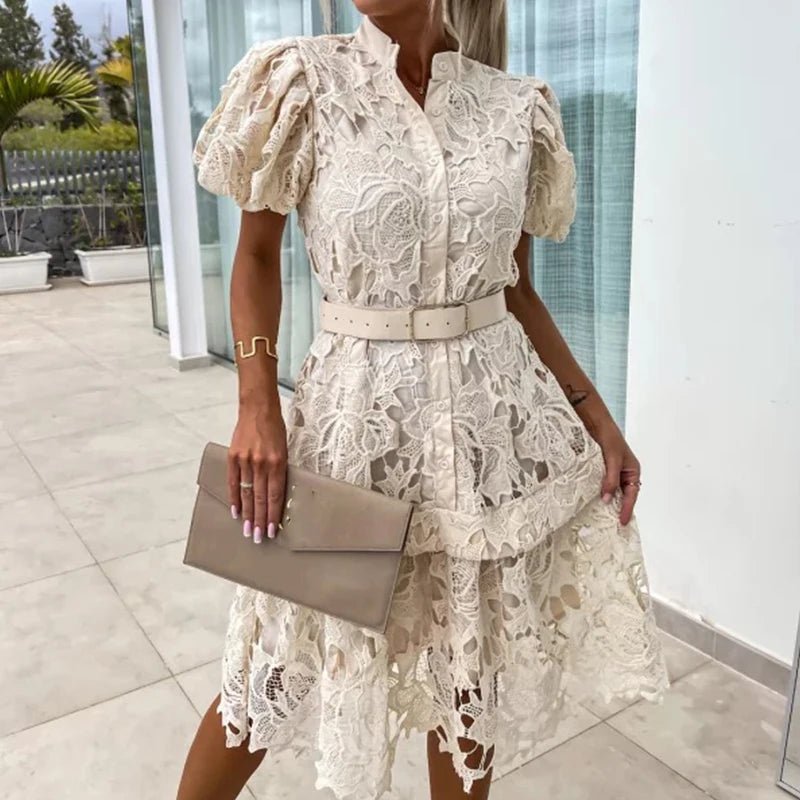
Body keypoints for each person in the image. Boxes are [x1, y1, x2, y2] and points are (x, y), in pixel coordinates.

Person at [177, 1, 670, 798]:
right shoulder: (302, 81)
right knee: (275, 670)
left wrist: (597, 418)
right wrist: (256, 403)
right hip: (354, 432)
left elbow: (516, 292)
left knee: (466, 681)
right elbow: (257, 257)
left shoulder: (515, 109)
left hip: (484, 443)